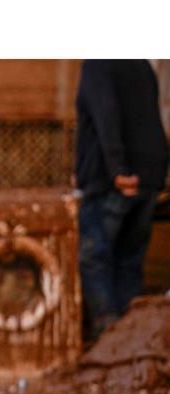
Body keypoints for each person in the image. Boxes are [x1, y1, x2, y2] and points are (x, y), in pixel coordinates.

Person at [75, 60, 169, 341]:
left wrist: (117, 170)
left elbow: (106, 113)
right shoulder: (141, 65)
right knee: (129, 261)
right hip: (149, 177)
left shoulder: (98, 64)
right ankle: (133, 342)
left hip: (116, 181)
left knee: (95, 258)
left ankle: (110, 338)